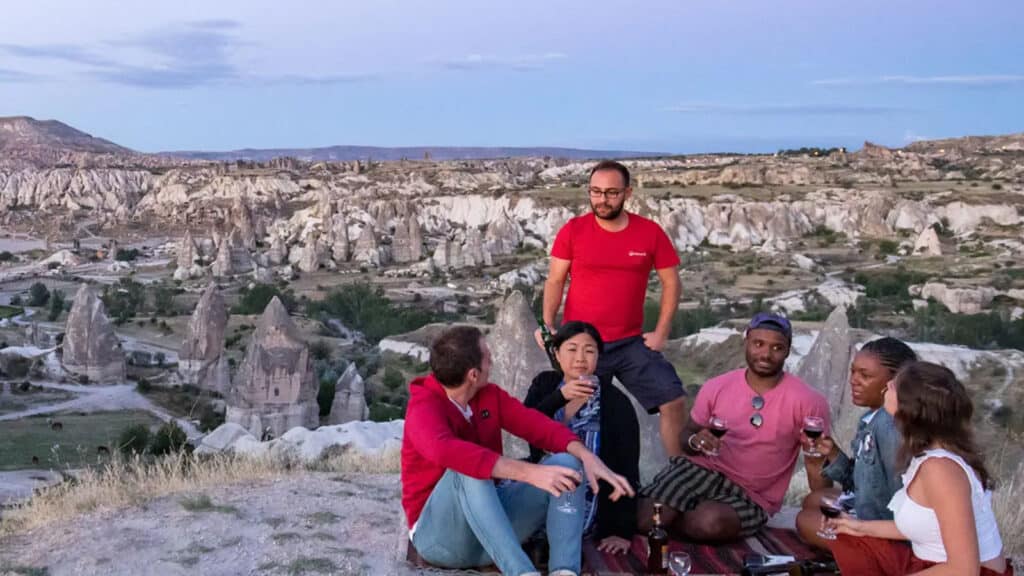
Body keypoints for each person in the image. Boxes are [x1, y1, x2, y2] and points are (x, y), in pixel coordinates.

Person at [401, 325, 634, 576]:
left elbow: (537, 425)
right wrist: (528, 472)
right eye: (487, 357)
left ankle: (564, 571)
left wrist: (585, 456)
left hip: (492, 536)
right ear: (473, 374)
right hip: (442, 540)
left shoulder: (488, 396)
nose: (492, 361)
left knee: (566, 464)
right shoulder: (424, 406)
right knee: (468, 468)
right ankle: (522, 572)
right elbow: (445, 450)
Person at [536, 160, 688, 457]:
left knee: (674, 399)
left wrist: (661, 333)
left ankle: (678, 476)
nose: (602, 200)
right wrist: (547, 326)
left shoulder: (649, 233)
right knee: (577, 408)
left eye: (611, 193)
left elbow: (672, 283)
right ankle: (568, 475)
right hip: (585, 344)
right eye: (595, 192)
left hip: (631, 342)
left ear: (627, 193)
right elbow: (555, 279)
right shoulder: (574, 230)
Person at [637, 313, 831, 542]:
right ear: (746, 342)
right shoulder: (717, 387)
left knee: (708, 523)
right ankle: (671, 514)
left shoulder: (808, 401)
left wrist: (820, 486)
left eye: (777, 348)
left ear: (787, 351)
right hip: (698, 471)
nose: (766, 355)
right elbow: (686, 436)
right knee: (647, 520)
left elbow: (818, 466)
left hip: (753, 493)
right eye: (758, 344)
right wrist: (695, 441)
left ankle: (679, 516)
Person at [827, 361, 1013, 575]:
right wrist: (858, 526)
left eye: (895, 385)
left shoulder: (941, 470)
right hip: (931, 564)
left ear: (910, 408)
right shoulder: (930, 454)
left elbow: (964, 569)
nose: (888, 384)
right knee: (849, 538)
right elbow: (928, 527)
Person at [524, 321, 640, 555]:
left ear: (598, 357)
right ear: (556, 353)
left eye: (589, 351)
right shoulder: (545, 384)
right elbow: (524, 424)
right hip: (540, 480)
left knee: (561, 526)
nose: (580, 358)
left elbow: (627, 465)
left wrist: (621, 530)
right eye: (572, 349)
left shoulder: (615, 402)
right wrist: (559, 397)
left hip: (589, 492)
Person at [796, 337, 918, 548]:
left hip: (885, 533)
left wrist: (856, 524)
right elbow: (865, 483)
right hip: (869, 510)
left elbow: (902, 500)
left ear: (894, 382)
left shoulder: (889, 428)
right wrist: (834, 454)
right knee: (814, 500)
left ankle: (869, 557)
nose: (853, 380)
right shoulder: (869, 420)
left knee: (804, 521)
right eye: (853, 371)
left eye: (865, 375)